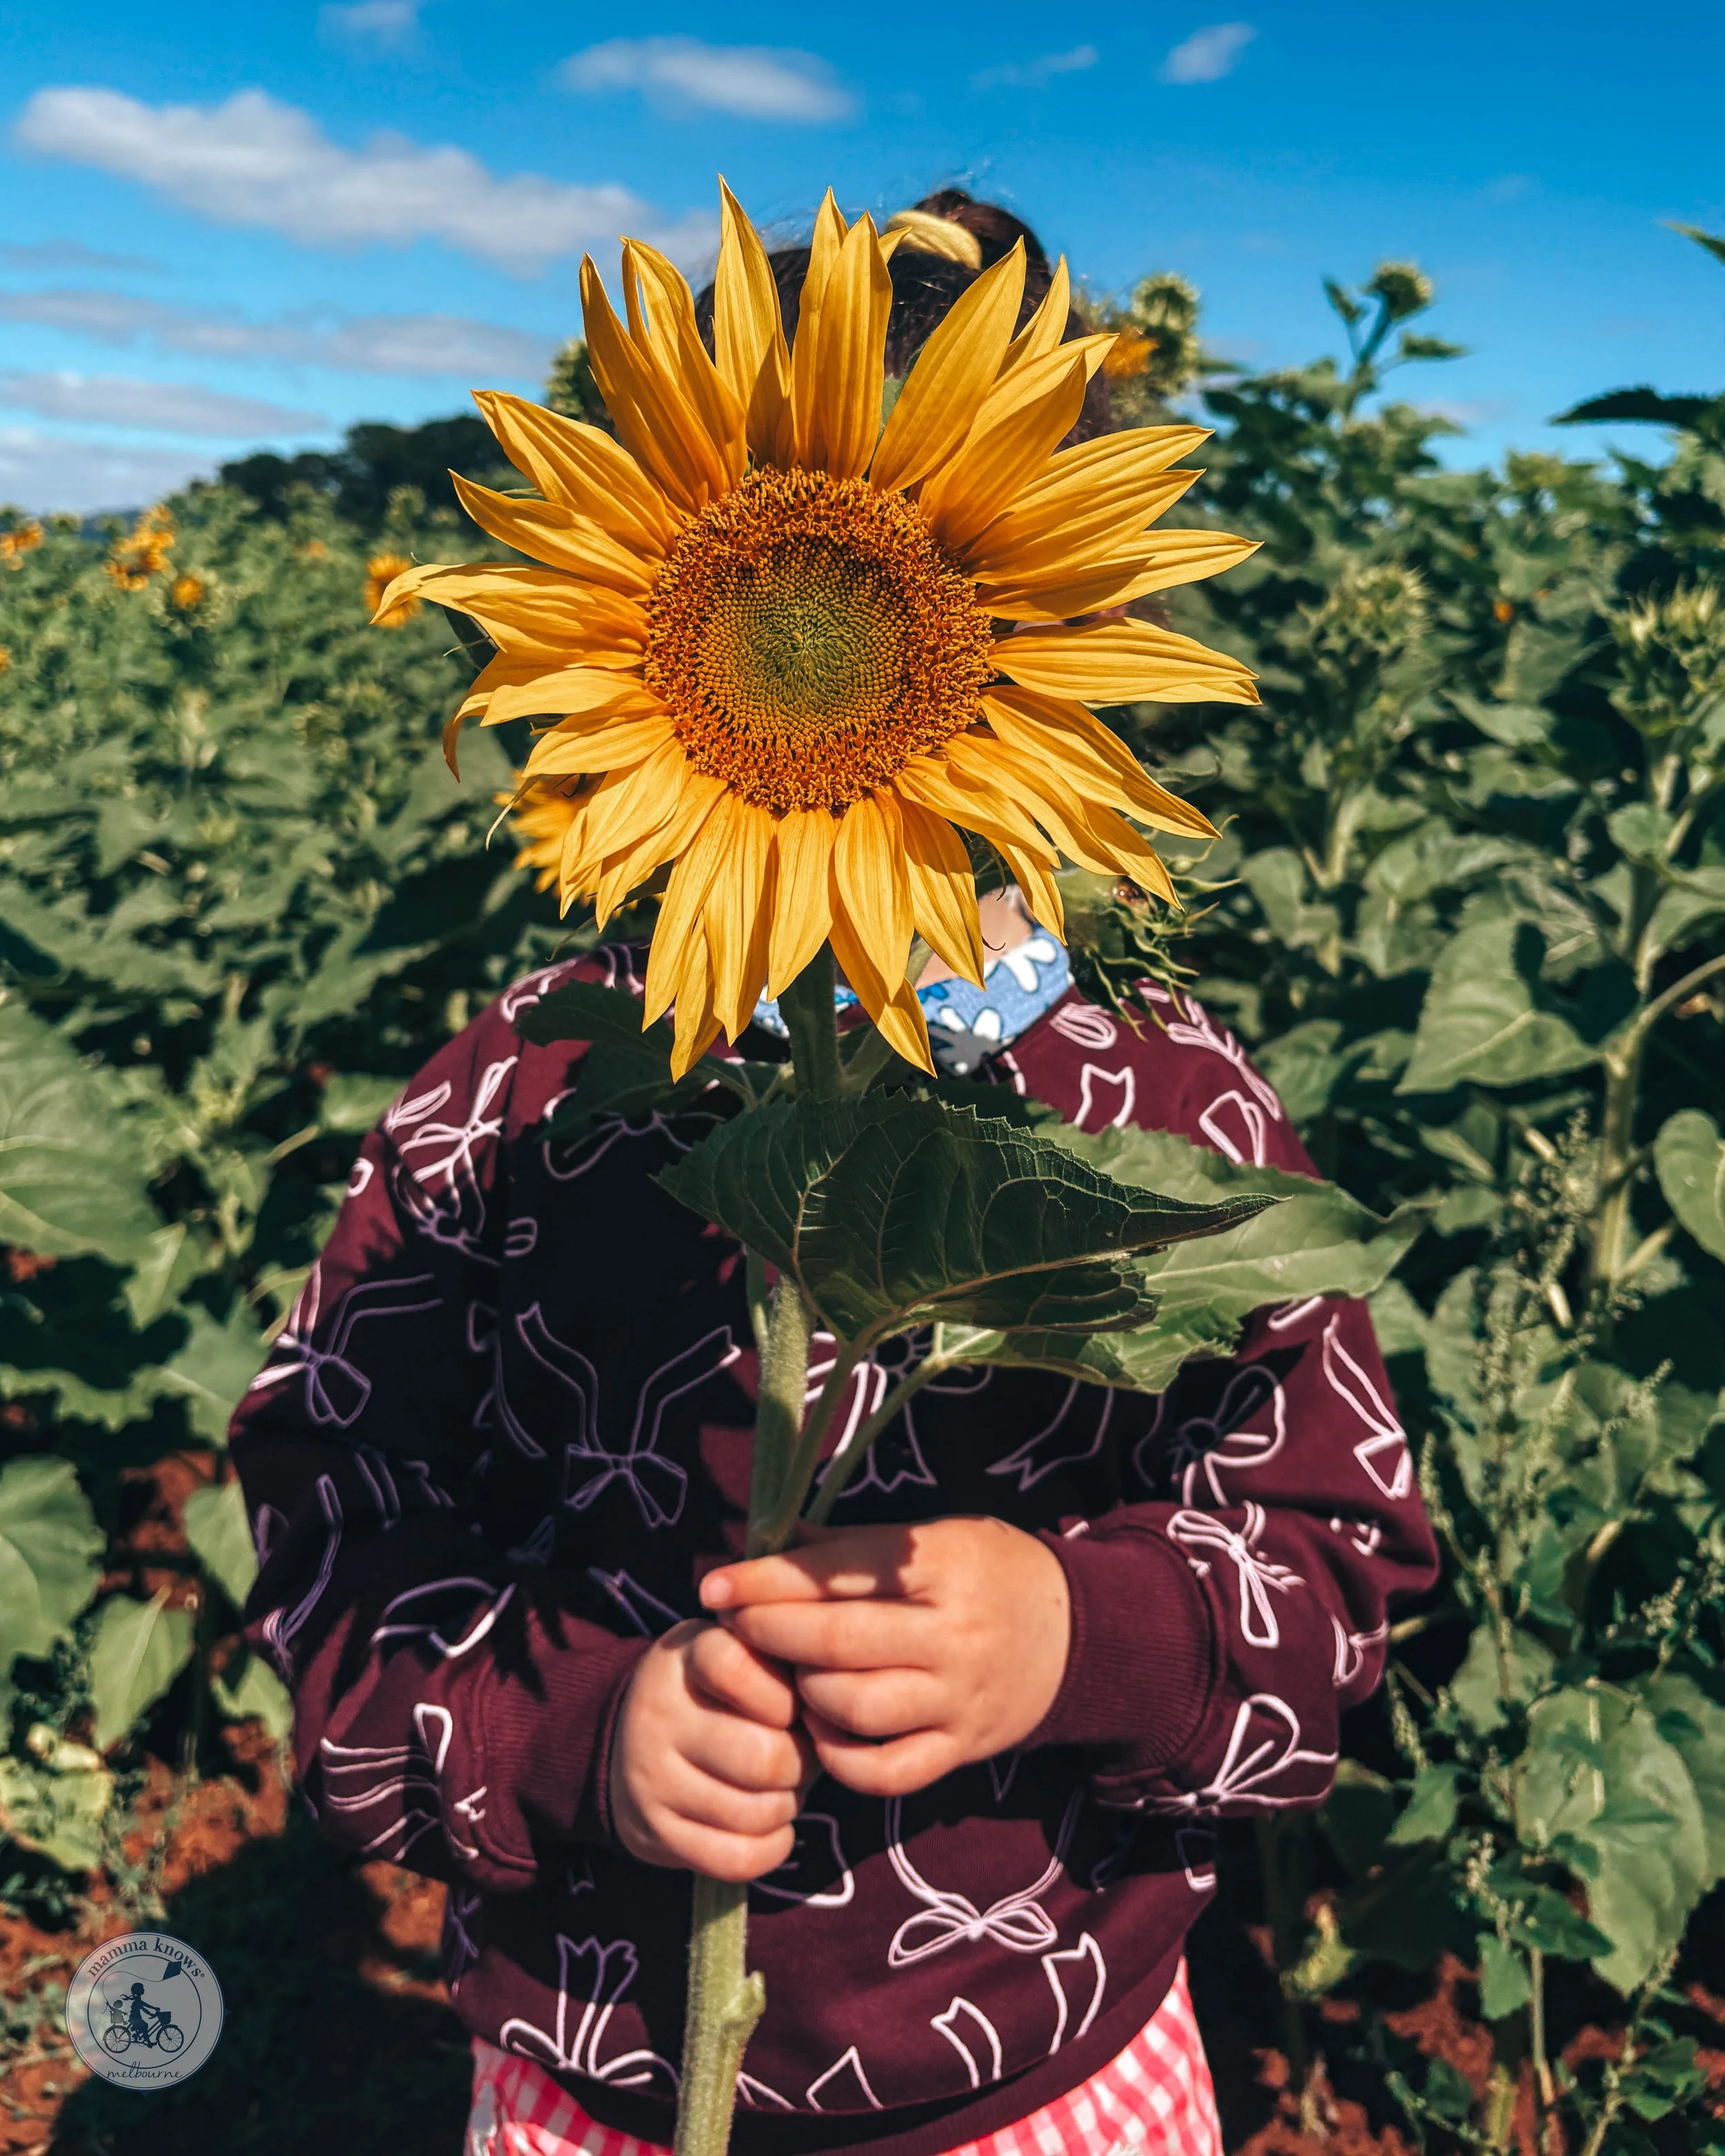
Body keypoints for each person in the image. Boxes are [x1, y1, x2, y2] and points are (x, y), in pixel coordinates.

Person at [230, 190, 1438, 2156]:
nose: (806, 646)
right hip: (606, 2075)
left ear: (1058, 638)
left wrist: (1080, 1629)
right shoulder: (524, 1104)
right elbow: (324, 1498)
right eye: (759, 603)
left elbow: (1342, 1554)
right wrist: (566, 1738)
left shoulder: (1148, 1103)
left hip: (1039, 2074)